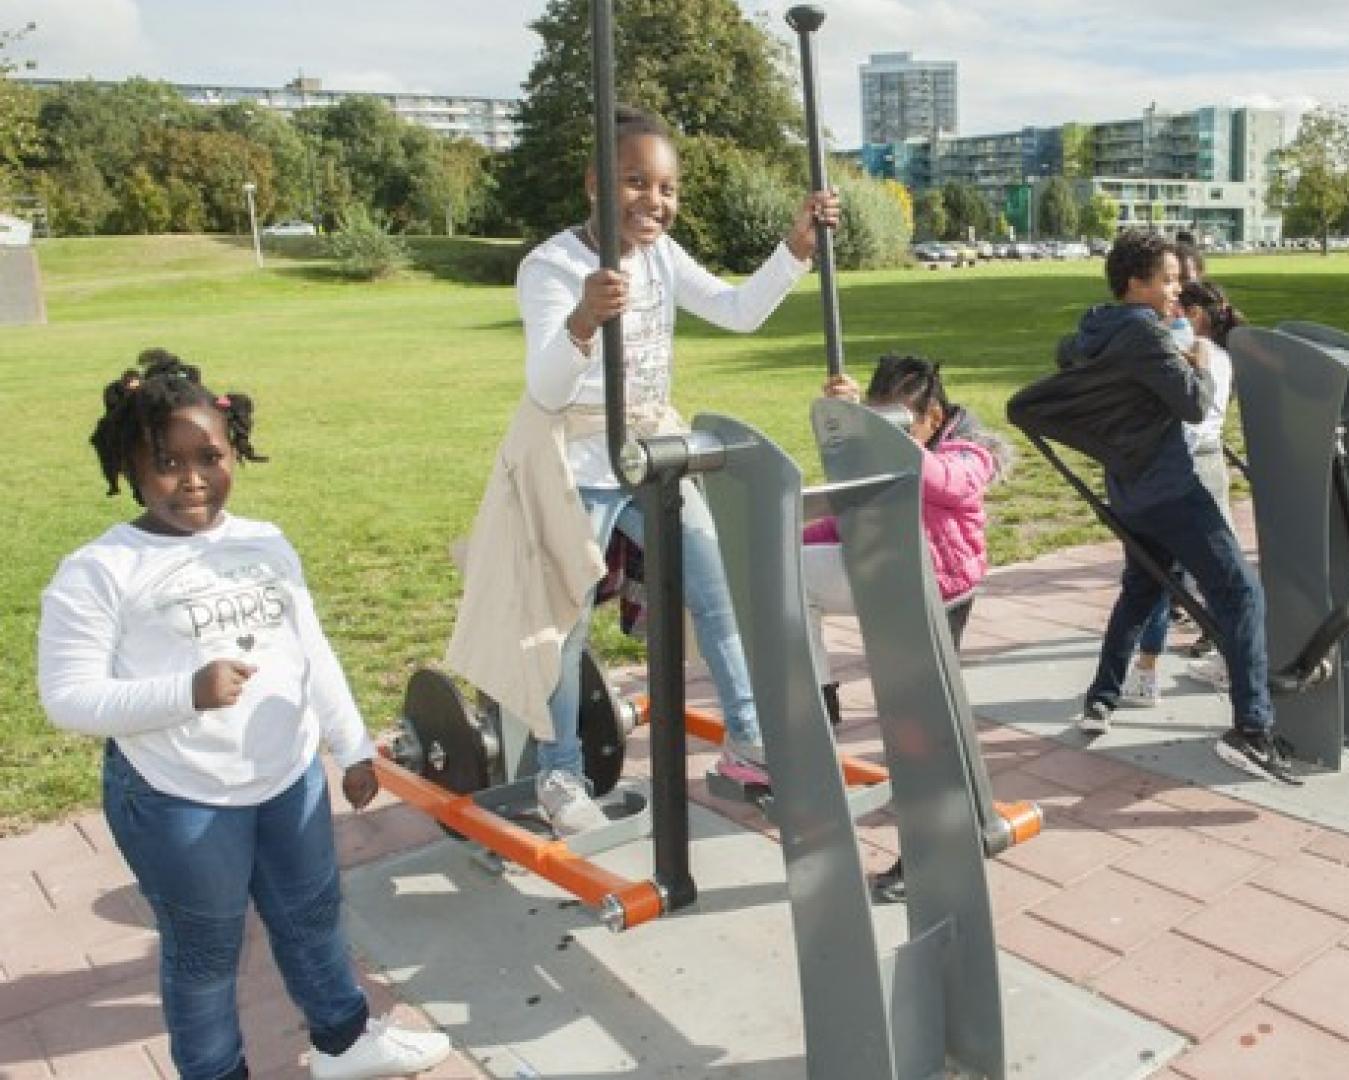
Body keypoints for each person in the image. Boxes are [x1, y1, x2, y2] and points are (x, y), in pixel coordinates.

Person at [37, 350, 451, 1080]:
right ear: (130, 466)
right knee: (204, 957)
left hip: (287, 778)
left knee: (314, 919)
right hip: (179, 798)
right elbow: (67, 698)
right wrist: (185, 691)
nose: (193, 479)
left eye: (210, 457)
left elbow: (309, 650)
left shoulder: (265, 540)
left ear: (235, 451)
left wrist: (351, 745)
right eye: (166, 462)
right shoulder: (101, 571)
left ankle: (344, 1043)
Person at [445, 104, 840, 835]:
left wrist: (794, 248)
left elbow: (737, 310)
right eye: (634, 182)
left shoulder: (661, 255)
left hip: (653, 449)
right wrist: (583, 322)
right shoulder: (553, 266)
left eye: (666, 188)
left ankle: (750, 740)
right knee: (559, 623)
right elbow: (548, 388)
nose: (653, 202)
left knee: (716, 588)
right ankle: (558, 776)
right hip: (574, 459)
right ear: (596, 182)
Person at [1031, 228, 1289, 782]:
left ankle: (1102, 695)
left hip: (1128, 487)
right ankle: (1252, 727)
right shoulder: (1146, 336)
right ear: (1135, 283)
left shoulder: (1095, 329)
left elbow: (1066, 353)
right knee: (1241, 591)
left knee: (1142, 589)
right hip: (1171, 487)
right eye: (1168, 280)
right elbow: (1195, 405)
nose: (1179, 289)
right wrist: (1191, 353)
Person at [802, 353, 1011, 902]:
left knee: (921, 730)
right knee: (788, 573)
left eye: (899, 422)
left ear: (934, 417)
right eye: (881, 421)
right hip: (894, 583)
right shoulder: (903, 449)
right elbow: (848, 517)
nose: (887, 435)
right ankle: (819, 697)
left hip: (939, 595)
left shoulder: (970, 454)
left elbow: (941, 480)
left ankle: (932, 852)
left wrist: (874, 435)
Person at [1121, 279, 1243, 704]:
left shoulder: (1196, 359)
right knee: (1217, 575)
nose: (1167, 317)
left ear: (1194, 316)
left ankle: (1150, 673)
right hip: (1206, 465)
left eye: (1176, 310)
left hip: (1185, 466)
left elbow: (1188, 414)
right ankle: (1227, 661)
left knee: (1173, 575)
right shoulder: (1223, 357)